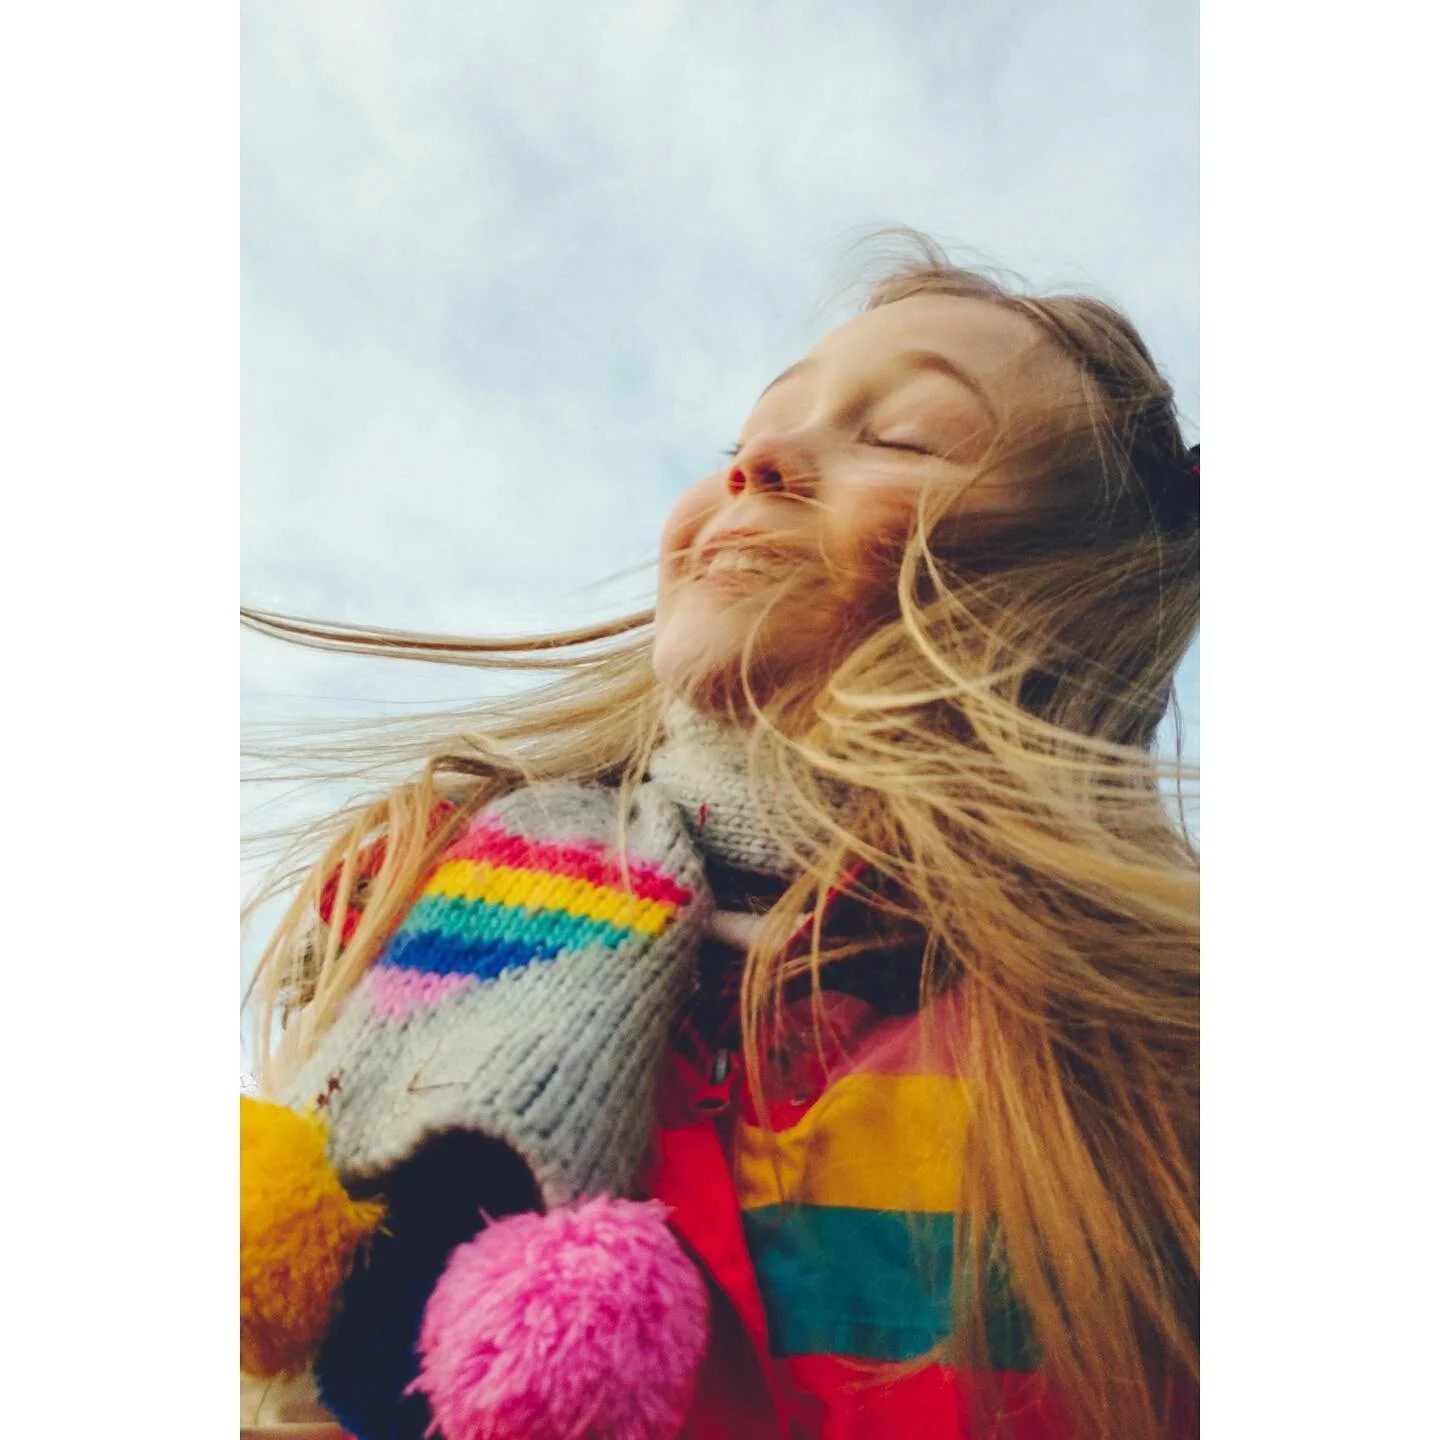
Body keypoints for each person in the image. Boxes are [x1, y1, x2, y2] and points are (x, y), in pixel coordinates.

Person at [241, 235, 1200, 1440]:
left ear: (1081, 586)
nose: (759, 461)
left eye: (901, 437)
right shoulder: (421, 905)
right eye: (746, 436)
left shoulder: (1162, 1053)